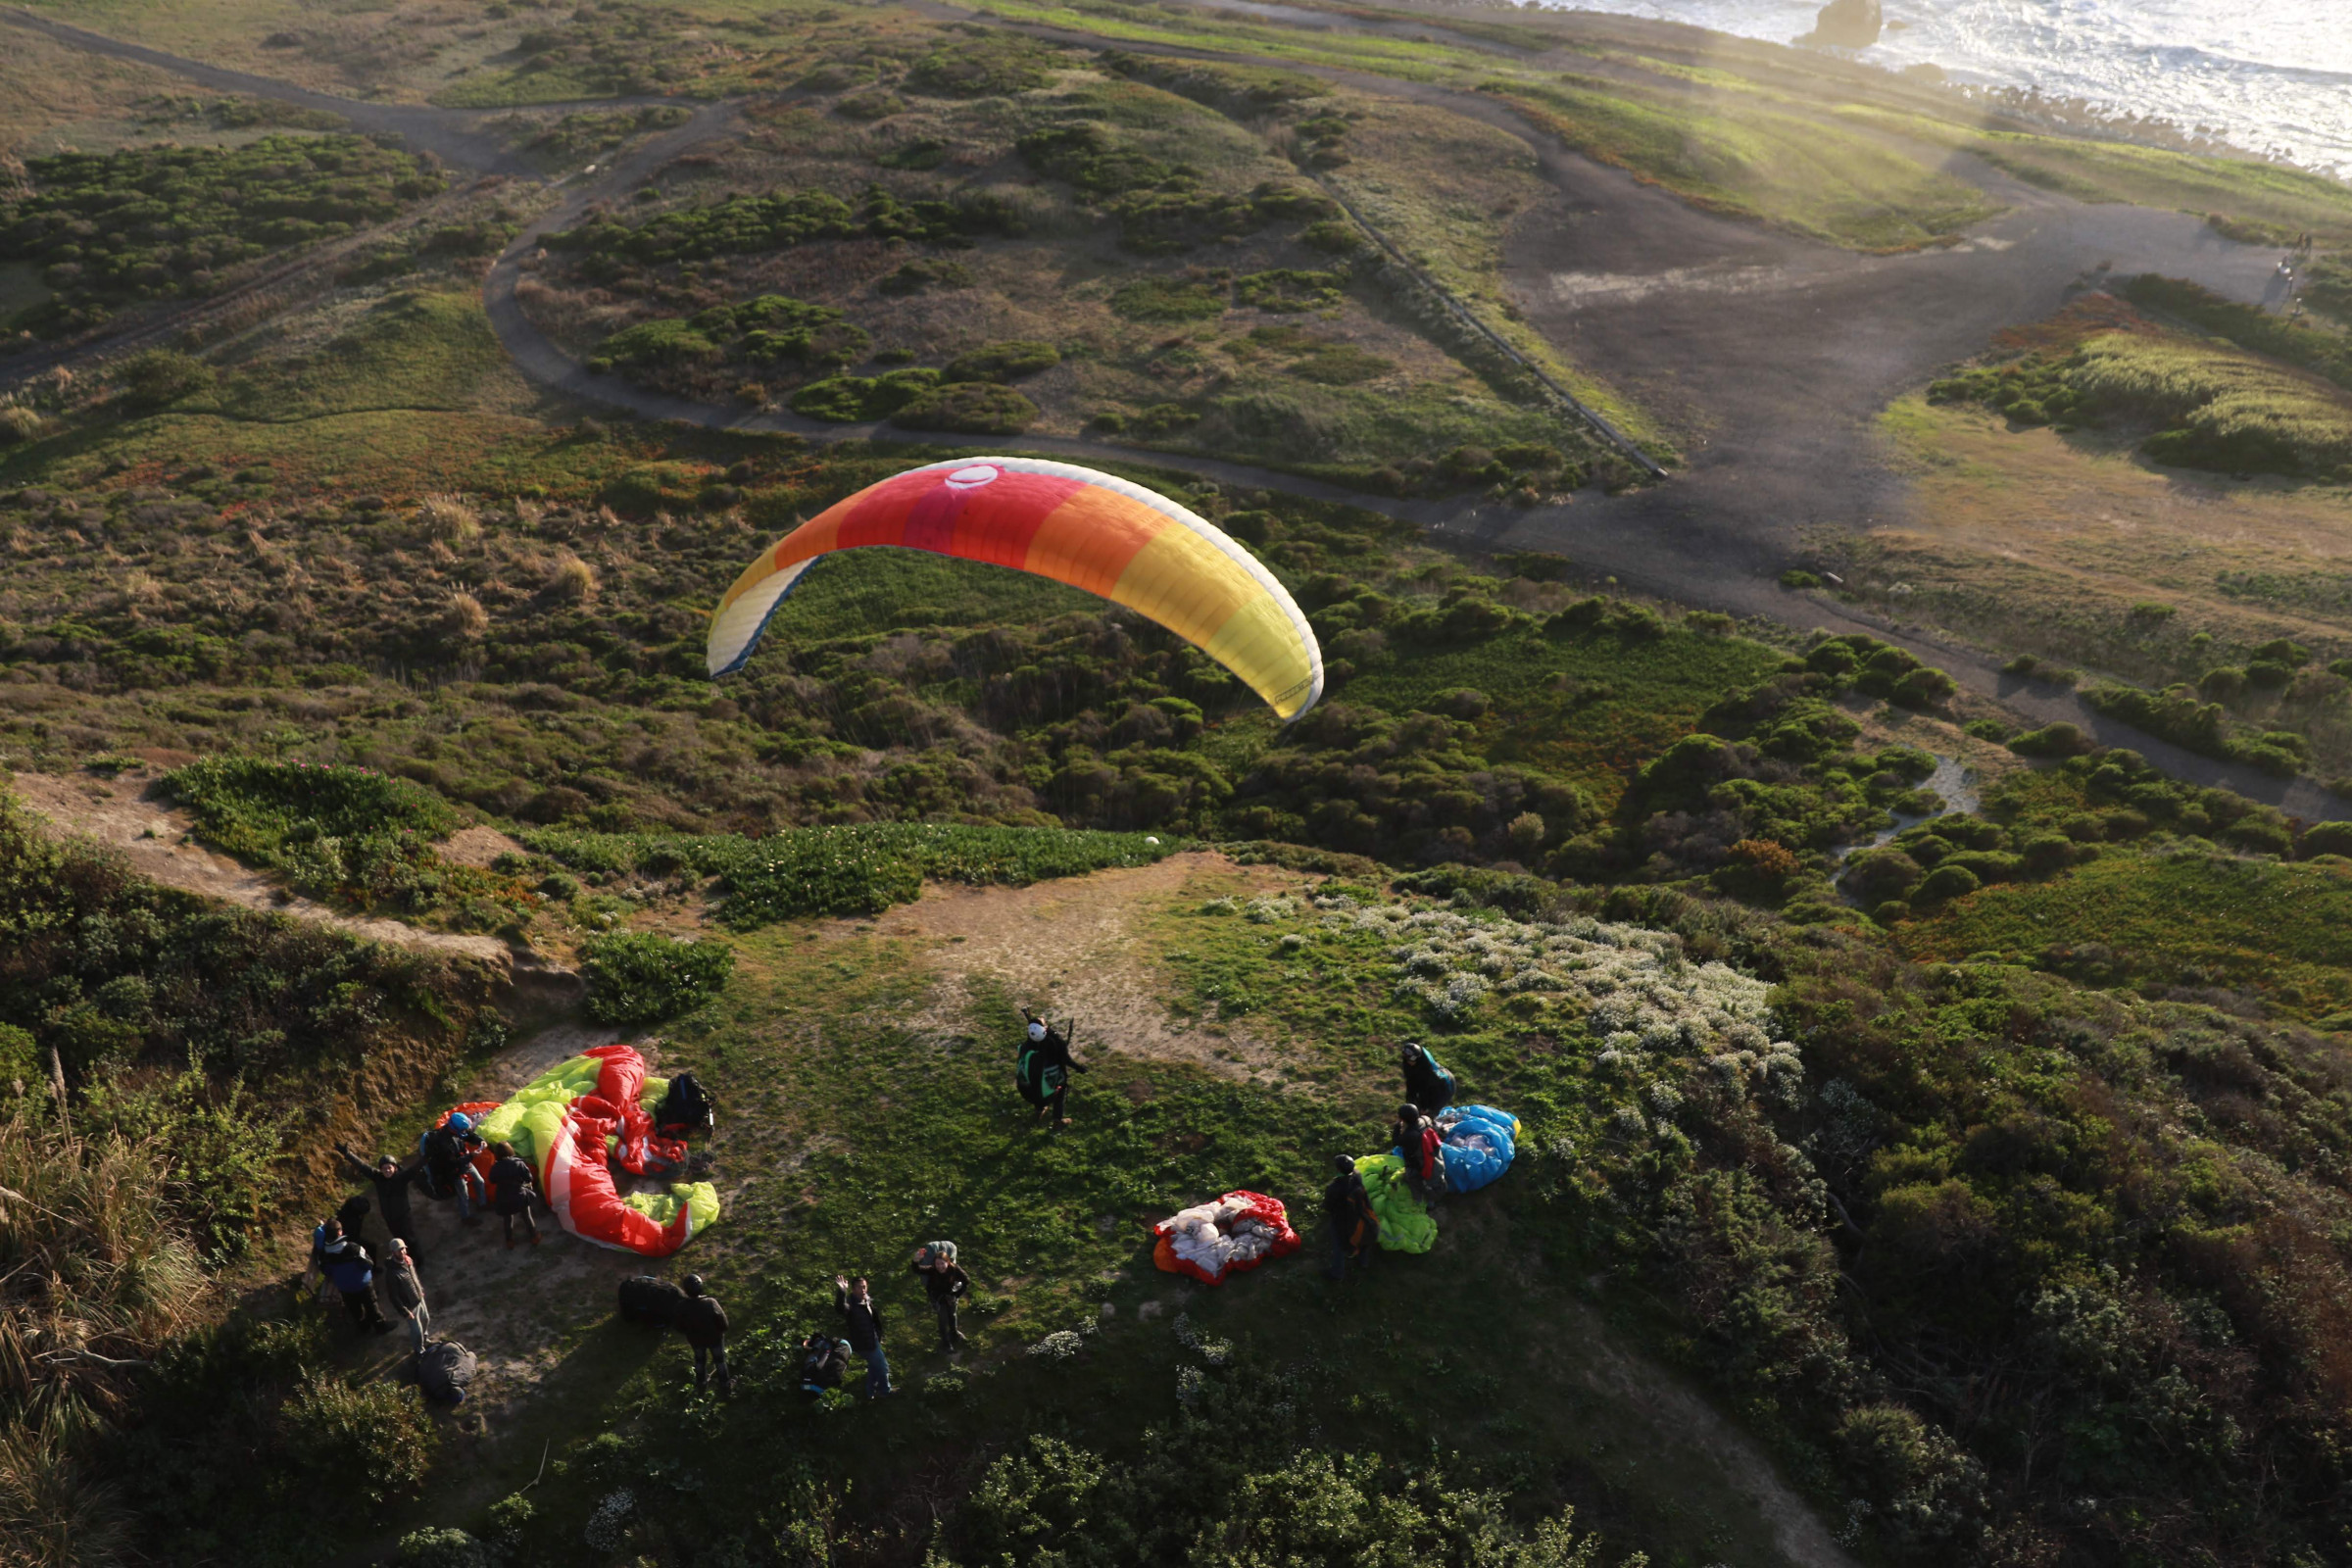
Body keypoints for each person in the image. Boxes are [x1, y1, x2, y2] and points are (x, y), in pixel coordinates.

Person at [337, 1144, 428, 1257]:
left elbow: (414, 1168)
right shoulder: (378, 1177)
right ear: (380, 1169)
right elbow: (362, 1167)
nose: (387, 1171)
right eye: (384, 1168)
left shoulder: (402, 1178)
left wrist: (427, 1156)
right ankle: (405, 1256)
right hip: (389, 1217)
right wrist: (347, 1154)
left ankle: (418, 1259)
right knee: (398, 1239)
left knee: (410, 1239)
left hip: (403, 1216)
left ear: (395, 1167)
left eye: (389, 1167)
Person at [318, 1221, 392, 1335]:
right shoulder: (354, 1248)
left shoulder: (324, 1255)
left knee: (355, 1309)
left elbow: (326, 1271)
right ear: (340, 1232)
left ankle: (363, 1328)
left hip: (345, 1288)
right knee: (371, 1305)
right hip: (362, 1284)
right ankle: (380, 1326)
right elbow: (369, 1264)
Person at [1017, 1014, 1089, 1129]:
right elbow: (1065, 1059)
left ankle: (1039, 1110)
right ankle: (1057, 1120)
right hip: (1045, 1096)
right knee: (1061, 1086)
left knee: (1035, 1080)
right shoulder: (1053, 1043)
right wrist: (1079, 1068)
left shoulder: (1026, 1047)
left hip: (1026, 1093)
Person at [834, 1274, 894, 1398]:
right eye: (860, 1288)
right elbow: (840, 1308)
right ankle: (885, 1391)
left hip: (873, 1340)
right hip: (863, 1344)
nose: (863, 1290)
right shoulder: (850, 1304)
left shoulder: (866, 1300)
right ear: (853, 1289)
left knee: (874, 1366)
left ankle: (870, 1392)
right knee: (883, 1367)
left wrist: (878, 1336)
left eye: (865, 1287)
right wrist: (842, 1292)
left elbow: (874, 1321)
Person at [1322, 1153, 1379, 1282]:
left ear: (1338, 1169)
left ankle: (1337, 1274)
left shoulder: (1334, 1187)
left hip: (1342, 1221)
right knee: (1364, 1238)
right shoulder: (1357, 1178)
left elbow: (1328, 1206)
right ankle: (1363, 1262)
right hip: (1361, 1215)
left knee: (1339, 1246)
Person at [421, 1113, 485, 1224]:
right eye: (463, 1130)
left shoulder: (457, 1131)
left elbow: (468, 1135)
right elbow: (452, 1163)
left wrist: (480, 1140)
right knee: (463, 1194)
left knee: (480, 1181)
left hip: (464, 1160)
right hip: (454, 1170)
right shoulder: (443, 1144)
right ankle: (465, 1217)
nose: (465, 1131)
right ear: (455, 1129)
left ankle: (482, 1204)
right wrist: (471, 1156)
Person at [676, 1274, 733, 1394]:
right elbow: (723, 1322)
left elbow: (679, 1327)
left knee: (699, 1361)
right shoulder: (710, 1302)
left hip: (696, 1340)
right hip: (715, 1338)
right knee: (720, 1360)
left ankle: (701, 1384)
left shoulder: (681, 1307)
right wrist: (721, 1331)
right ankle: (725, 1385)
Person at [911, 1243, 970, 1351]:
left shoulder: (954, 1269)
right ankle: (946, 1342)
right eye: (937, 1264)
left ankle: (954, 1333)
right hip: (938, 1299)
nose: (940, 1267)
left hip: (950, 1297)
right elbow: (917, 1270)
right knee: (943, 1320)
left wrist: (956, 1295)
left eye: (942, 1264)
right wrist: (916, 1260)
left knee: (952, 1315)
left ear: (948, 1262)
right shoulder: (932, 1270)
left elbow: (966, 1281)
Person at [381, 1236, 430, 1354]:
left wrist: (420, 1290)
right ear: (393, 1252)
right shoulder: (391, 1273)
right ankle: (419, 1351)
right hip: (410, 1306)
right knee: (417, 1331)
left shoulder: (408, 1261)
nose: (402, 1251)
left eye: (403, 1248)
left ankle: (425, 1340)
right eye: (399, 1250)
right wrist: (404, 1311)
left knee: (426, 1320)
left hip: (419, 1298)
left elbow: (414, 1278)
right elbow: (393, 1296)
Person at [486, 1142, 540, 1248]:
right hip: (519, 1195)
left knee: (508, 1219)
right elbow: (529, 1178)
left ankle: (509, 1241)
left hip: (503, 1197)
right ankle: (534, 1237)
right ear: (510, 1150)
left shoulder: (495, 1167)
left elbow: (492, 1180)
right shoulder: (518, 1163)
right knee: (527, 1216)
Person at [1390, 1102, 1443, 1206]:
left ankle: (1423, 1201)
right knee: (1432, 1179)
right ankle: (1434, 1193)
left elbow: (1395, 1141)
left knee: (1415, 1181)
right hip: (1433, 1154)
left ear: (1403, 1119)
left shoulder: (1410, 1135)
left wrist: (1397, 1125)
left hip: (1419, 1163)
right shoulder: (1425, 1120)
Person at [1399, 1043, 1455, 1114]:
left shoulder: (1429, 1074)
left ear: (1414, 1059)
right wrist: (1410, 1102)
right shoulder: (1408, 1063)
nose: (1407, 1062)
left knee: (1430, 1112)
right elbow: (1410, 1083)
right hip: (1430, 1085)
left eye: (1409, 1060)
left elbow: (1428, 1092)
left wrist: (1427, 1108)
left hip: (1444, 1088)